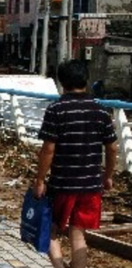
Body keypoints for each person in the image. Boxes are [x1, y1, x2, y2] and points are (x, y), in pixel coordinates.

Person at [34, 60, 117, 268]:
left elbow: (48, 150)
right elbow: (112, 147)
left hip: (62, 184)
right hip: (90, 186)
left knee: (50, 229)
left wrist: (40, 179)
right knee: (78, 234)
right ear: (86, 81)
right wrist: (107, 176)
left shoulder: (56, 110)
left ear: (61, 83)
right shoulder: (101, 111)